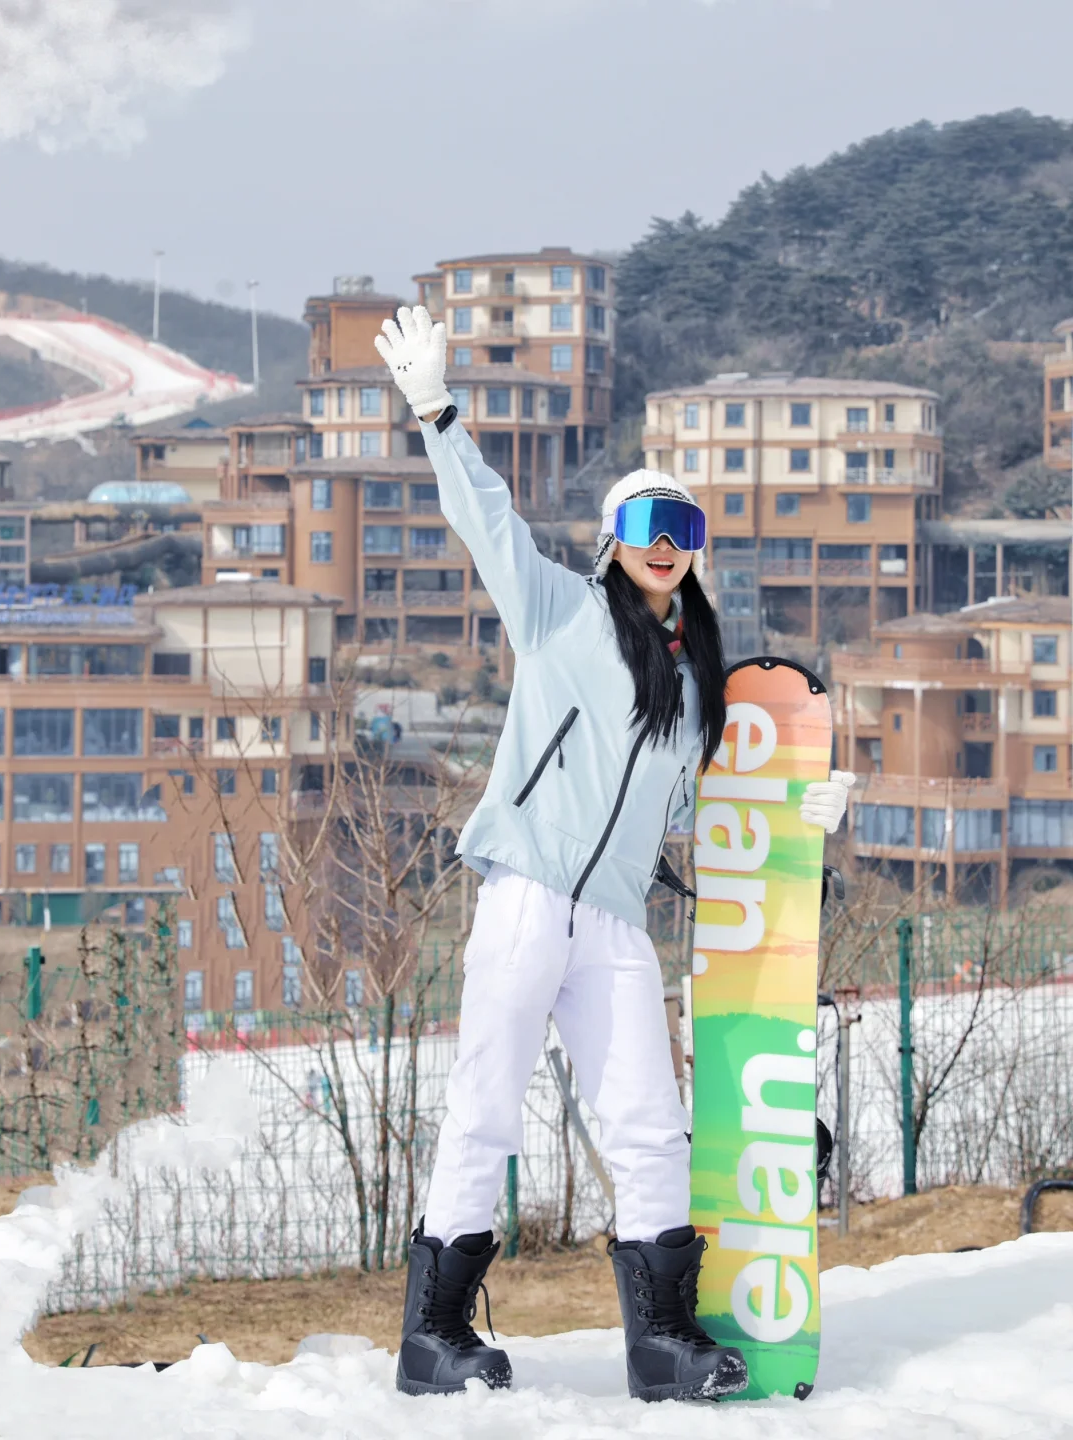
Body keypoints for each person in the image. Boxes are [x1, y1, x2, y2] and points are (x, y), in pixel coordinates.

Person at [375, 307, 853, 1403]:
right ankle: (434, 1334)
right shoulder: (559, 614)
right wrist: (437, 411)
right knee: (485, 1104)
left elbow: (707, 811)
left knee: (643, 1116)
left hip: (616, 921)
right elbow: (486, 522)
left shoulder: (696, 685)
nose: (665, 536)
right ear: (612, 532)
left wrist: (804, 812)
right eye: (646, 515)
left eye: (682, 521)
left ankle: (661, 1341)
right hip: (529, 894)